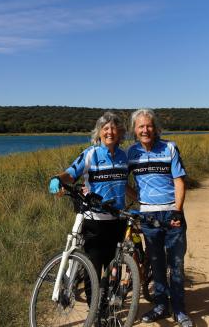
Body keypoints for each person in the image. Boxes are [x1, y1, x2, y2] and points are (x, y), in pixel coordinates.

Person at [48, 112, 128, 303]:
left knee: (113, 267)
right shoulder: (91, 153)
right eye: (105, 128)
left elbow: (125, 185)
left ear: (120, 133)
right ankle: (95, 310)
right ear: (99, 132)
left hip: (117, 220)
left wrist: (141, 203)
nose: (110, 131)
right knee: (94, 268)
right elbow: (70, 173)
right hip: (95, 221)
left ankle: (109, 305)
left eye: (114, 128)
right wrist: (57, 179)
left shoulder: (124, 156)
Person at [127, 109, 193, 327]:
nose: (145, 130)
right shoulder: (131, 153)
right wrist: (138, 199)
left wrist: (177, 209)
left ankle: (179, 309)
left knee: (176, 264)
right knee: (156, 263)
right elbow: (120, 178)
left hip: (172, 213)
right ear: (134, 130)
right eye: (141, 126)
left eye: (149, 126)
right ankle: (160, 305)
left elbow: (179, 181)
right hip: (148, 216)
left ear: (155, 128)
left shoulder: (169, 148)